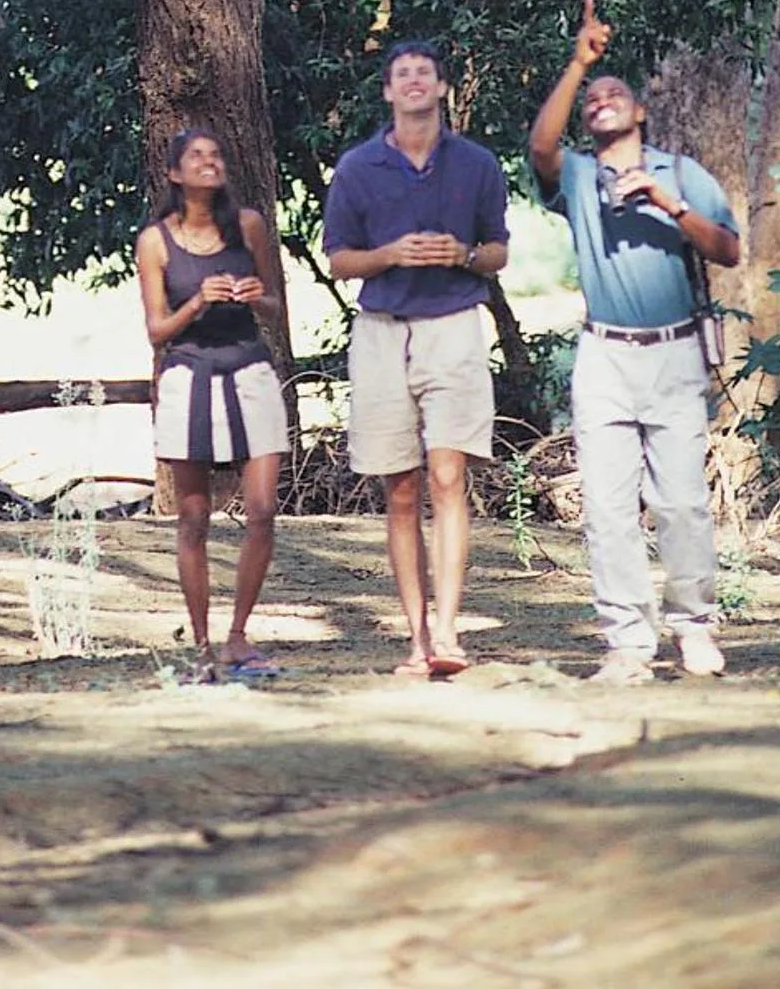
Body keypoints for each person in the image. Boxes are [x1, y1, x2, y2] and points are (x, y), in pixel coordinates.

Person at [528, 0, 741, 683]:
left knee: (679, 498)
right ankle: (626, 641)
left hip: (674, 351)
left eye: (615, 93)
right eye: (592, 100)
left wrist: (665, 204)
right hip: (603, 355)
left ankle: (693, 626)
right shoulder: (581, 177)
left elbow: (729, 252)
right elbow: (539, 147)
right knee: (607, 504)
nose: (601, 101)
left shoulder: (681, 173)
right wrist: (578, 63)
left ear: (641, 113)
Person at [323, 41, 509, 678]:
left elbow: (497, 252)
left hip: (454, 327)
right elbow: (340, 260)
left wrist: (461, 253)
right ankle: (417, 639)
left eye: (423, 74)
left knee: (449, 477)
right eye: (401, 75)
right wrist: (392, 254)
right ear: (387, 92)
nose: (412, 83)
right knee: (399, 489)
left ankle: (451, 632)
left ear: (440, 88)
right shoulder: (357, 168)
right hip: (381, 331)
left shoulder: (477, 165)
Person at [135, 126, 288, 680]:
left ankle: (238, 635)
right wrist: (198, 300)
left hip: (249, 369)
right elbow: (157, 331)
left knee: (263, 510)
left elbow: (273, 305)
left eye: (216, 154)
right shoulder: (156, 240)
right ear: (175, 173)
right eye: (196, 156)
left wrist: (255, 296)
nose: (210, 162)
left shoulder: (247, 226)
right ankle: (200, 645)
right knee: (194, 516)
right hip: (188, 374)